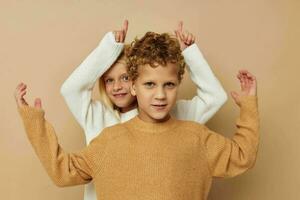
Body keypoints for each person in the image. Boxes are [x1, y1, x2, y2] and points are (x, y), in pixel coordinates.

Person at [15, 31, 259, 200]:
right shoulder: (109, 141)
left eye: (170, 85)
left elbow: (242, 156)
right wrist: (34, 123)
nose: (160, 95)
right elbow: (63, 171)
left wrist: (248, 106)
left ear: (178, 84)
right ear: (134, 87)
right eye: (150, 85)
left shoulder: (196, 137)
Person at [60, 21, 227, 200]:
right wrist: (108, 49)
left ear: (135, 82)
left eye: (125, 77)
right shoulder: (97, 117)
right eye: (109, 80)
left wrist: (190, 54)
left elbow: (215, 97)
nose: (117, 86)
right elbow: (70, 90)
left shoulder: (174, 115)